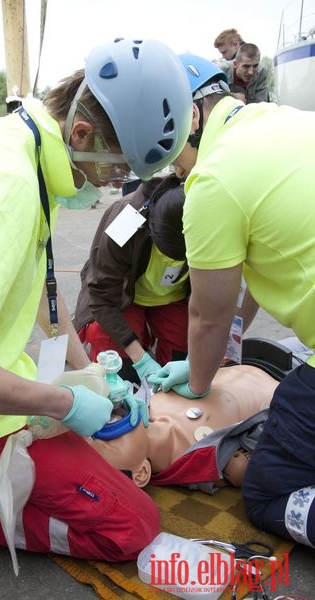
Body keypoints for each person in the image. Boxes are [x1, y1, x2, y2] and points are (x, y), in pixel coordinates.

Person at [0, 38, 193, 562]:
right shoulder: (3, 183)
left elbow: (44, 294)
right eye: (114, 172)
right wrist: (65, 402)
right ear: (82, 132)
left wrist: (94, 375)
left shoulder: (29, 155)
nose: (112, 188)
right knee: (129, 528)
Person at [151, 51, 315, 549]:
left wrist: (198, 382)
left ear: (192, 118)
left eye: (173, 157)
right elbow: (267, 269)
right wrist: (229, 343)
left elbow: (207, 314)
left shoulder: (214, 177)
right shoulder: (285, 120)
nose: (179, 176)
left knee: (266, 492)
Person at [86, 363, 277, 492]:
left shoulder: (140, 403)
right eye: (110, 443)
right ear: (141, 473)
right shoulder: (199, 460)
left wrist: (196, 361)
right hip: (284, 393)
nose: (102, 430)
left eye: (91, 432)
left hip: (240, 365)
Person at [74, 174, 189, 384]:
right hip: (123, 298)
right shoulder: (126, 221)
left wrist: (197, 355)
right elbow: (101, 297)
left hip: (174, 299)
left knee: (181, 359)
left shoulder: (211, 222)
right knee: (121, 369)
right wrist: (140, 359)